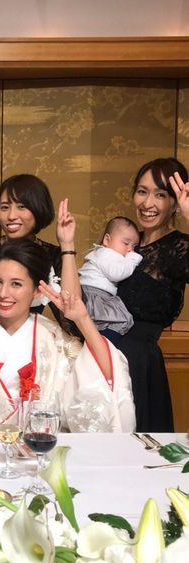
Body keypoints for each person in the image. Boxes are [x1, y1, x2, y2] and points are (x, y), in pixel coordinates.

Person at [0, 239, 136, 433]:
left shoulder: (51, 336)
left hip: (40, 447)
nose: (3, 293)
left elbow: (105, 378)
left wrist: (82, 319)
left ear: (37, 291)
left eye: (16, 284)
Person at [0, 174, 80, 328]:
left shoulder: (50, 255)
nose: (11, 216)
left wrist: (67, 244)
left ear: (38, 208)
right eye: (4, 207)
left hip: (27, 338)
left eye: (21, 207)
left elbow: (73, 308)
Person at [117, 158, 189, 432]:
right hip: (101, 357)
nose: (148, 203)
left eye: (160, 195)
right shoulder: (123, 241)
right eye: (142, 191)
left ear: (175, 202)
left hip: (139, 365)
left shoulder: (179, 247)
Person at [79, 216, 142, 344]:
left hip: (93, 294)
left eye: (134, 246)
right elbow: (117, 273)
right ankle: (106, 345)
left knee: (109, 322)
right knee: (121, 319)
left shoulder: (103, 253)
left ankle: (99, 344)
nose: (130, 249)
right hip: (94, 294)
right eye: (126, 243)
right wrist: (133, 259)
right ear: (107, 240)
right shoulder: (106, 253)